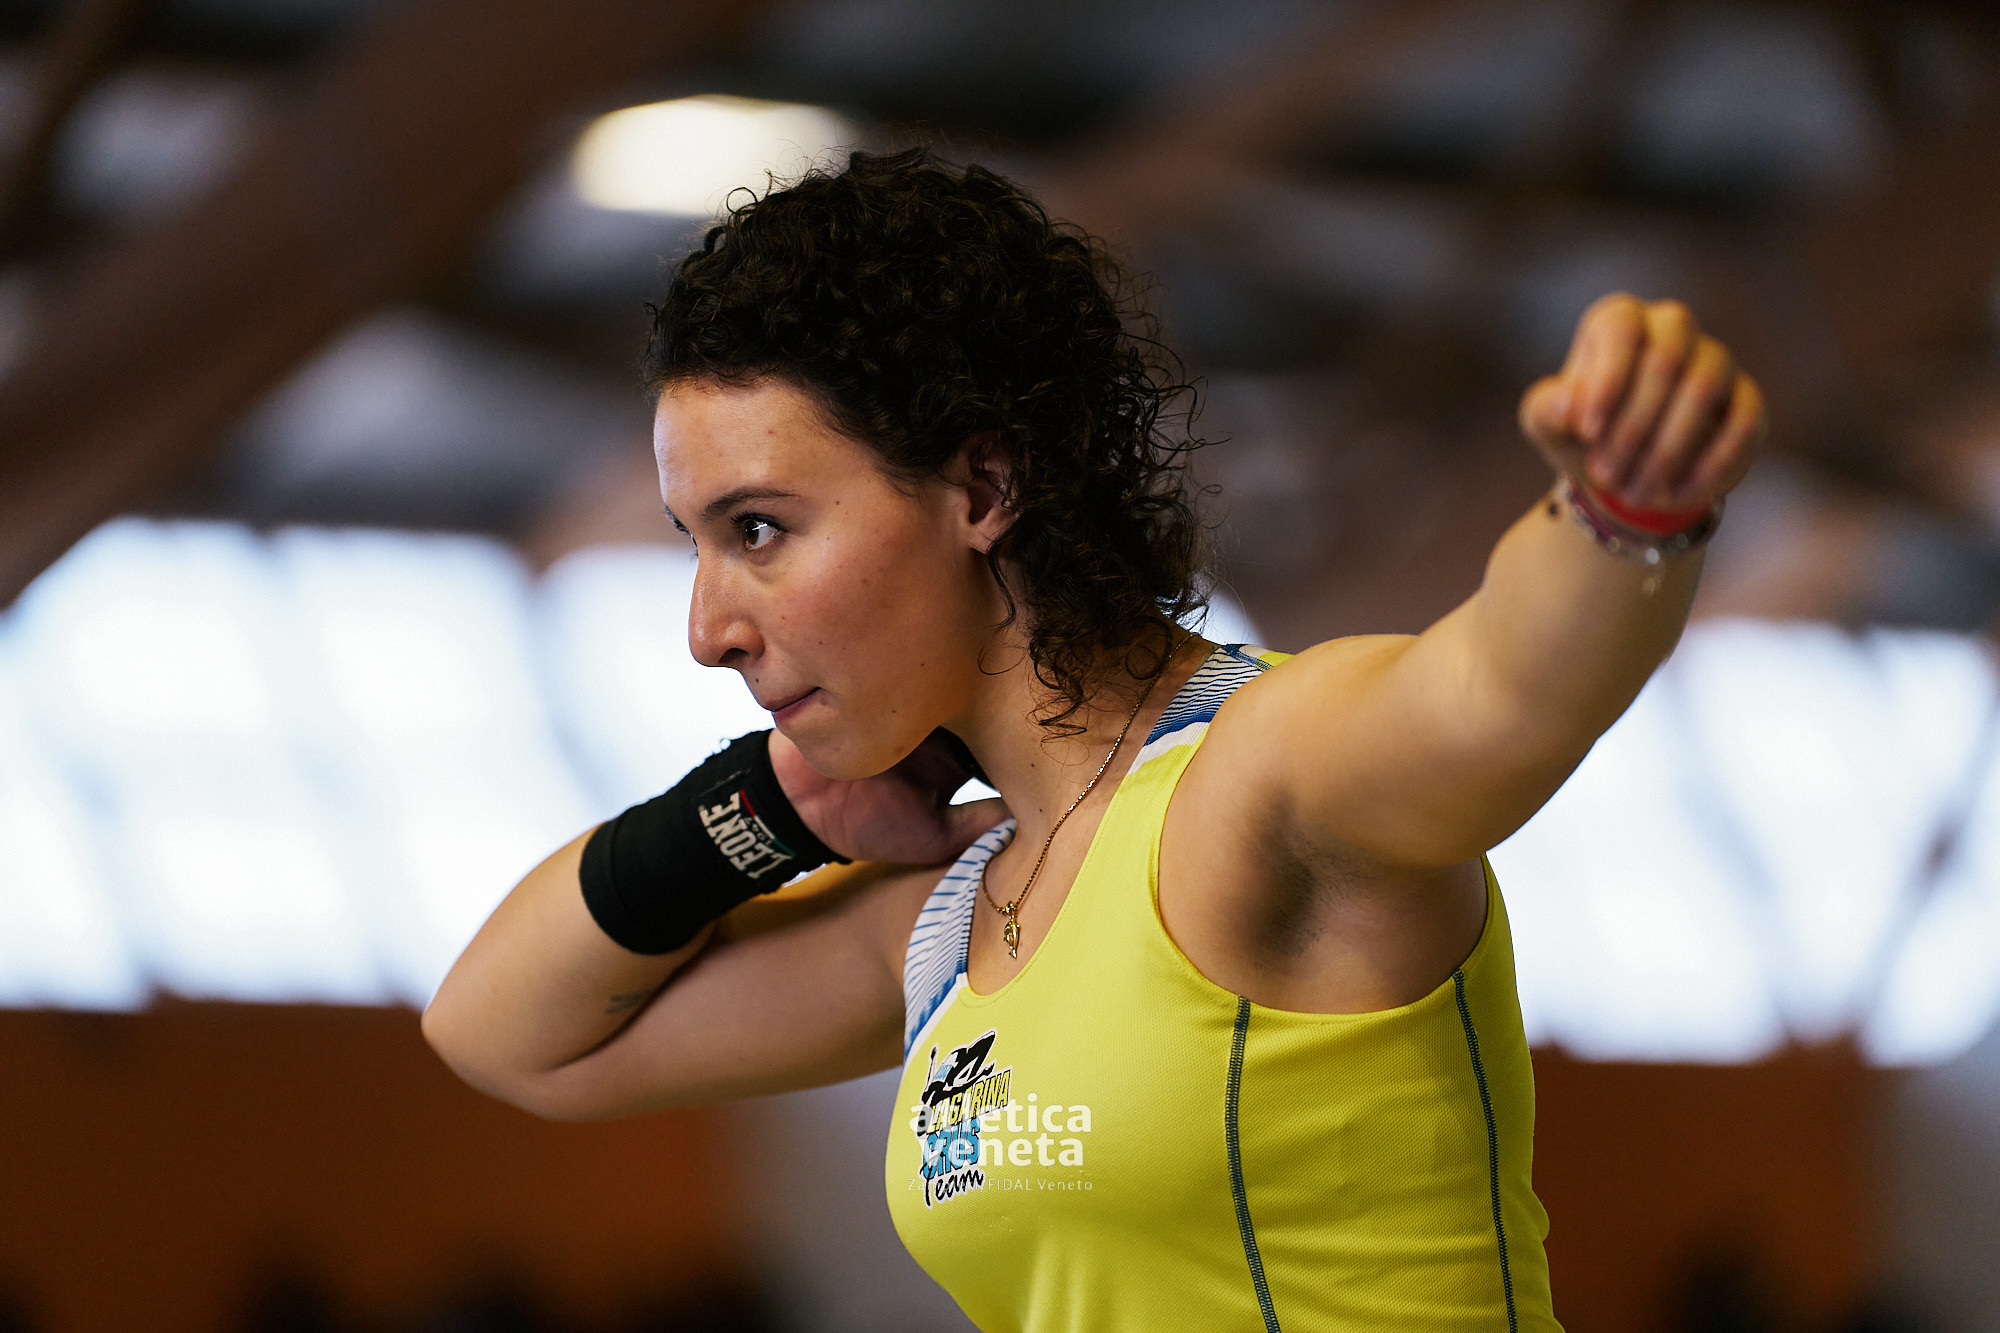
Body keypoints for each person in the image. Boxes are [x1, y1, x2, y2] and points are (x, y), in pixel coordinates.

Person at [422, 148, 1762, 1332]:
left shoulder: (1260, 775)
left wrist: (1624, 515)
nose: (708, 629)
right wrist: (759, 815)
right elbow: (507, 1034)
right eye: (697, 543)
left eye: (759, 529)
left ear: (982, 487)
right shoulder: (954, 915)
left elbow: (1497, 693)